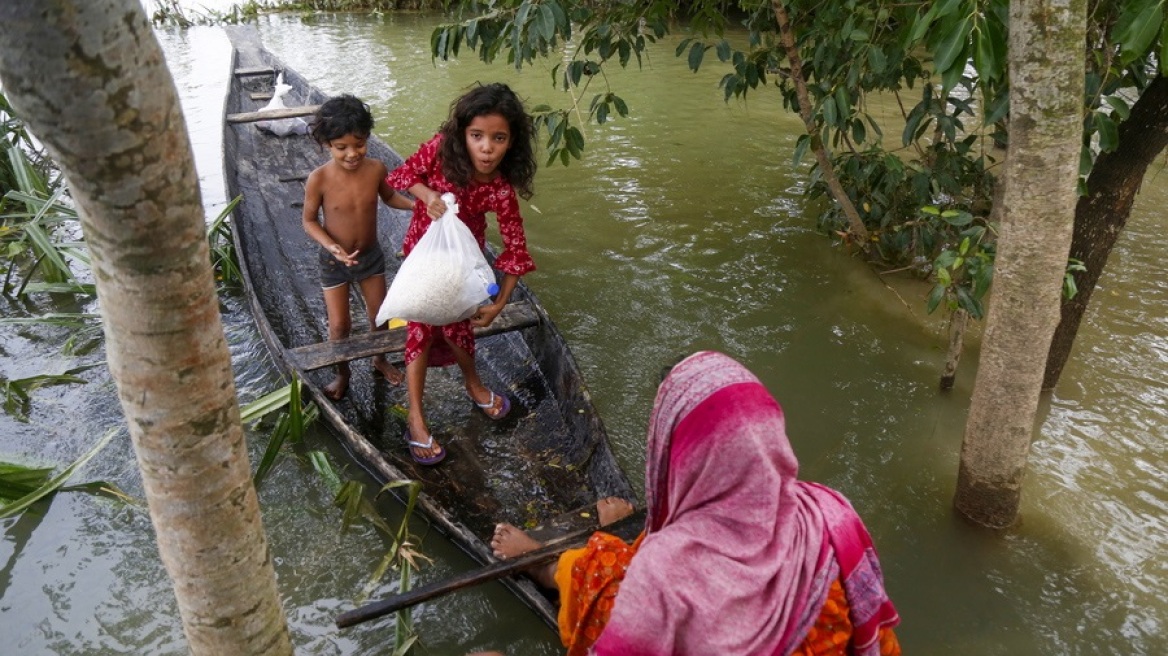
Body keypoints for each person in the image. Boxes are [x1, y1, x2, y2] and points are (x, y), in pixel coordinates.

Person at [490, 351, 902, 655]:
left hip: (660, 582)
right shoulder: (833, 513)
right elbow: (879, 638)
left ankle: (546, 566)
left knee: (600, 565)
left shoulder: (667, 571)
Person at [385, 83, 537, 466]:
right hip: (424, 252)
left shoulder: (501, 191)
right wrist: (427, 196)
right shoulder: (439, 151)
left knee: (458, 327)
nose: (487, 147)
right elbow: (402, 175)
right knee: (420, 326)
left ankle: (474, 384)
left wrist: (500, 302)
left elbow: (515, 250)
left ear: (511, 142)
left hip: (464, 260)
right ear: (462, 136)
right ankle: (416, 419)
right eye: (477, 136)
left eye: (498, 138)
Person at [302, 94, 412, 400]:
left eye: (359, 144)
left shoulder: (375, 169)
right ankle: (342, 373)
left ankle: (379, 358)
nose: (352, 153)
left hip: (370, 257)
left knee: (381, 314)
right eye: (342, 148)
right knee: (339, 326)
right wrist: (332, 246)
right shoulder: (319, 179)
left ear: (367, 138)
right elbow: (309, 221)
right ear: (327, 144)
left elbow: (389, 197)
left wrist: (416, 206)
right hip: (334, 261)